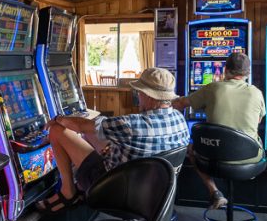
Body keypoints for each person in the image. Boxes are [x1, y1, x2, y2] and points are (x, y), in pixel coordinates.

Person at [43, 67, 189, 212]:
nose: (138, 97)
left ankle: (68, 192)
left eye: (139, 92)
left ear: (149, 96)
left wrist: (58, 118)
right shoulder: (180, 120)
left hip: (112, 189)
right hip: (151, 192)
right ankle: (80, 185)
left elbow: (81, 126)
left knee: (57, 130)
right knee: (93, 134)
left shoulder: (131, 124)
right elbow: (92, 129)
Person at [173, 52, 265, 209]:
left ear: (225, 70)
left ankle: (214, 192)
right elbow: (258, 120)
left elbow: (181, 104)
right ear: (248, 73)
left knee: (191, 148)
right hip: (249, 158)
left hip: (214, 156)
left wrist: (171, 98)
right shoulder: (256, 93)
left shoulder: (212, 88)